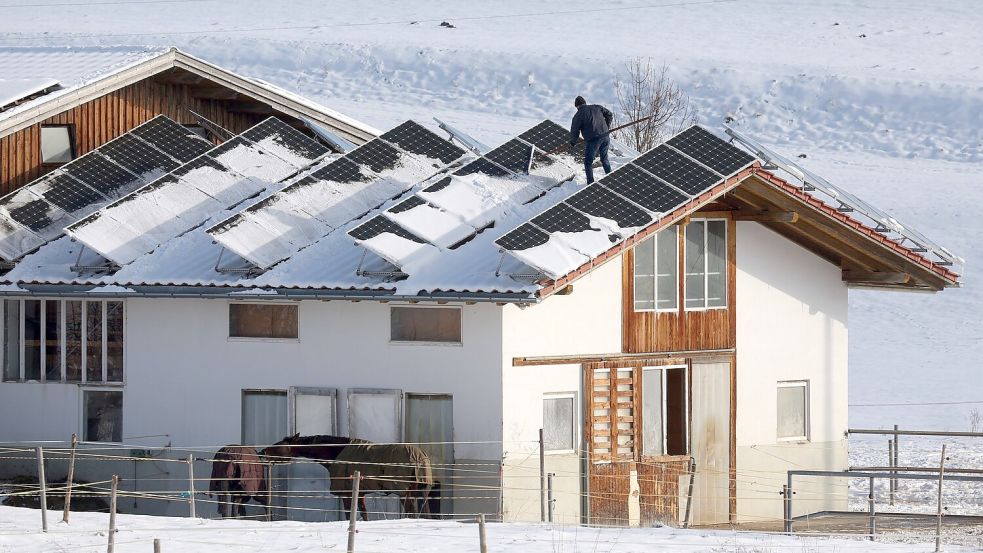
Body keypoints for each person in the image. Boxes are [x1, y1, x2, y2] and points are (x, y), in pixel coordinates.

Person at [569, 96, 613, 183]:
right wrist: (606, 127)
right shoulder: (597, 107)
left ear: (577, 106)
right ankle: (610, 177)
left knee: (588, 162)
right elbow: (609, 114)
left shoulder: (578, 115)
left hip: (593, 140)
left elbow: (575, 131)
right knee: (604, 159)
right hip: (605, 137)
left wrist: (573, 142)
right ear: (585, 103)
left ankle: (590, 183)